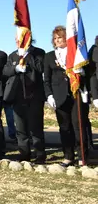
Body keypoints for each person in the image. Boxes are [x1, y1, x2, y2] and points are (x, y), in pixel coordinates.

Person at [44, 26, 97, 166]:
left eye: (60, 37)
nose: (57, 40)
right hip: (59, 96)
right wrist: (49, 95)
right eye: (55, 38)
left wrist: (83, 79)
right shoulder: (49, 56)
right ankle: (68, 156)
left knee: (78, 125)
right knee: (64, 127)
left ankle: (82, 157)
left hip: (76, 94)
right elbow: (47, 79)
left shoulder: (77, 54)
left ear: (67, 38)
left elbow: (87, 72)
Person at [3, 37, 46, 163]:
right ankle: (24, 154)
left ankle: (40, 155)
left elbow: (40, 68)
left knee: (36, 128)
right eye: (16, 40)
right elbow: (6, 71)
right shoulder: (13, 55)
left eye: (21, 39)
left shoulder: (39, 53)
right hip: (18, 96)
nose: (18, 42)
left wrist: (27, 55)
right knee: (20, 129)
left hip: (34, 96)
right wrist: (15, 68)